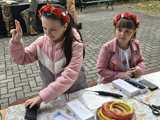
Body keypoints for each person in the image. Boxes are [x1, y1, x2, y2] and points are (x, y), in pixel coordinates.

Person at [9, 4, 87, 108]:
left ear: (65, 26)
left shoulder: (75, 46)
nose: (48, 34)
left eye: (53, 29)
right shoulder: (41, 43)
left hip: (76, 94)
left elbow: (69, 76)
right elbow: (22, 58)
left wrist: (41, 97)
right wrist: (16, 42)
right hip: (51, 97)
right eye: (44, 28)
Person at [96, 12, 145, 84]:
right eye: (119, 30)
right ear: (115, 29)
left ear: (133, 32)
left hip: (131, 81)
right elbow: (101, 70)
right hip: (110, 83)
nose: (122, 34)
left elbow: (141, 61)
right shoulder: (107, 48)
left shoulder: (136, 44)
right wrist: (121, 75)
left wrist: (139, 68)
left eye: (127, 31)